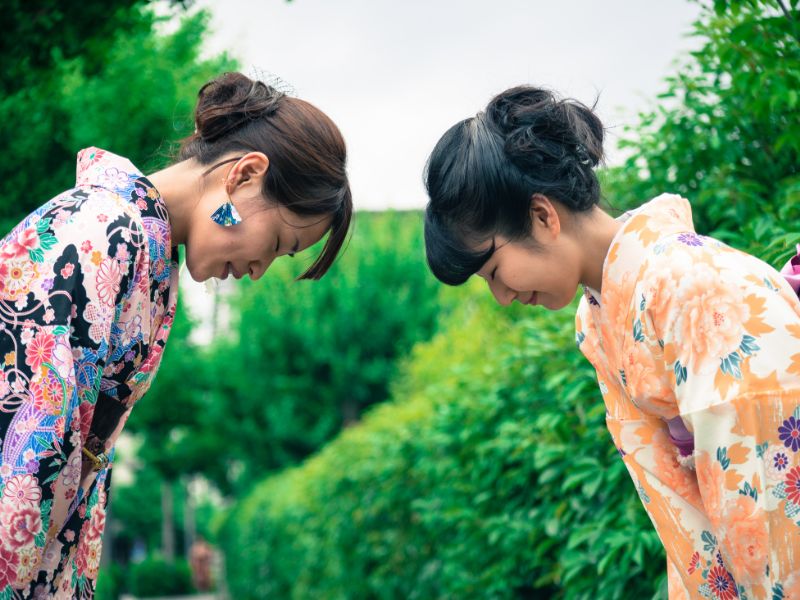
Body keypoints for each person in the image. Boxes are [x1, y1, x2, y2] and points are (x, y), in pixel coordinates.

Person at [423, 86, 800, 597]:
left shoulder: (699, 286)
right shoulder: (597, 321)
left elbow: (767, 493)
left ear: (542, 215)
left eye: (493, 270)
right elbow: (672, 497)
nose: (502, 296)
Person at [0, 71, 352, 597]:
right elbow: (27, 453)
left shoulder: (143, 252)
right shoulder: (106, 230)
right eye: (277, 240)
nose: (259, 270)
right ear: (244, 175)